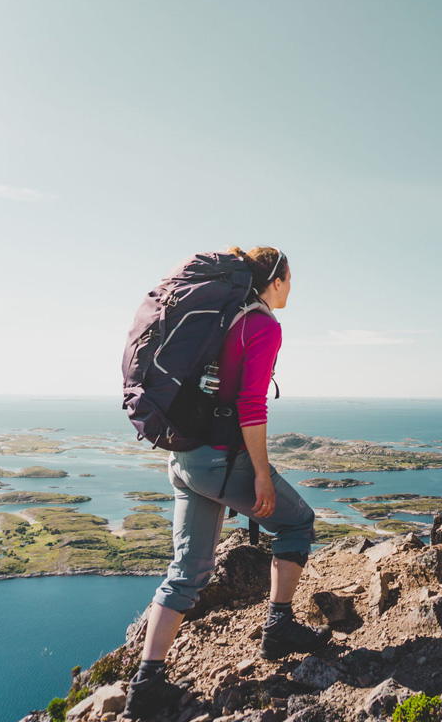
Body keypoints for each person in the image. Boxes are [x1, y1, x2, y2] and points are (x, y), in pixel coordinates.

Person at [124, 246, 330, 720]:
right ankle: (278, 629)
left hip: (184, 456)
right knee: (297, 524)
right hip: (220, 460)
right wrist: (261, 475)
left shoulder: (220, 318)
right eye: (290, 279)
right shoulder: (261, 325)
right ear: (274, 280)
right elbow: (251, 405)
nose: (292, 288)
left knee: (188, 570)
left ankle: (144, 687)